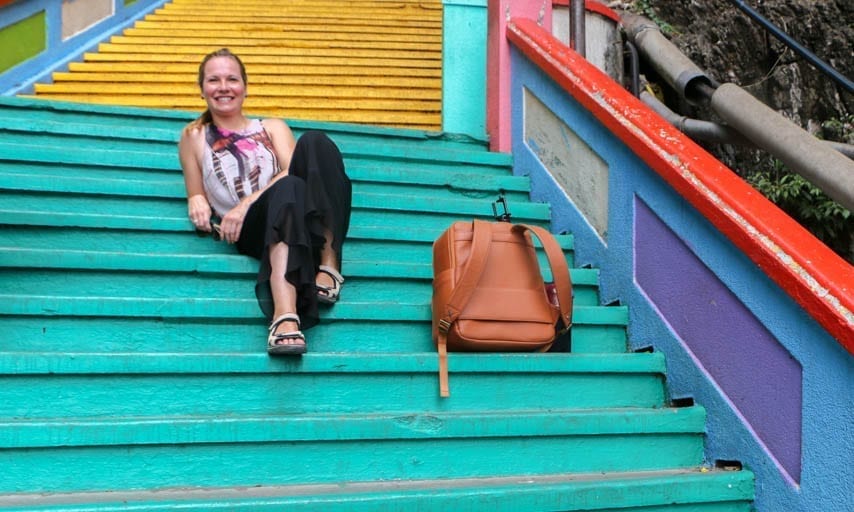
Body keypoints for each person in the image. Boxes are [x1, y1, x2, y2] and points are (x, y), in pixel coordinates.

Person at [178, 48, 351, 356]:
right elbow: (195, 191)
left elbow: (292, 173)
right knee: (287, 191)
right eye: (213, 80)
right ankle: (284, 316)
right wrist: (196, 200)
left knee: (313, 143)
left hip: (295, 213)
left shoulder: (272, 127)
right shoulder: (193, 136)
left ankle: (328, 266)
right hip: (251, 229)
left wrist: (243, 205)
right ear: (202, 88)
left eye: (232, 79)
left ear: (244, 86)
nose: (223, 87)